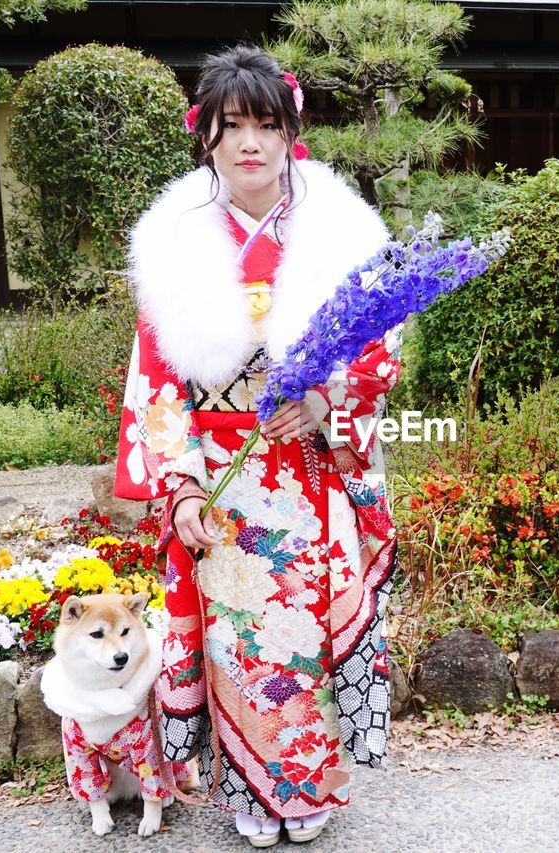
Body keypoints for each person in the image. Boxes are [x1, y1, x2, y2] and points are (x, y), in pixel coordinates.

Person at [113, 43, 402, 847]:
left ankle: (306, 788)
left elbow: (381, 351)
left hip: (311, 475)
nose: (249, 143)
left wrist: (322, 400)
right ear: (205, 135)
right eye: (231, 125)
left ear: (289, 133)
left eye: (266, 125)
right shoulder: (174, 241)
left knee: (301, 635)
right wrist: (181, 489)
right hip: (221, 478)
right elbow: (157, 385)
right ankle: (249, 787)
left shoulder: (337, 228)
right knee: (235, 636)